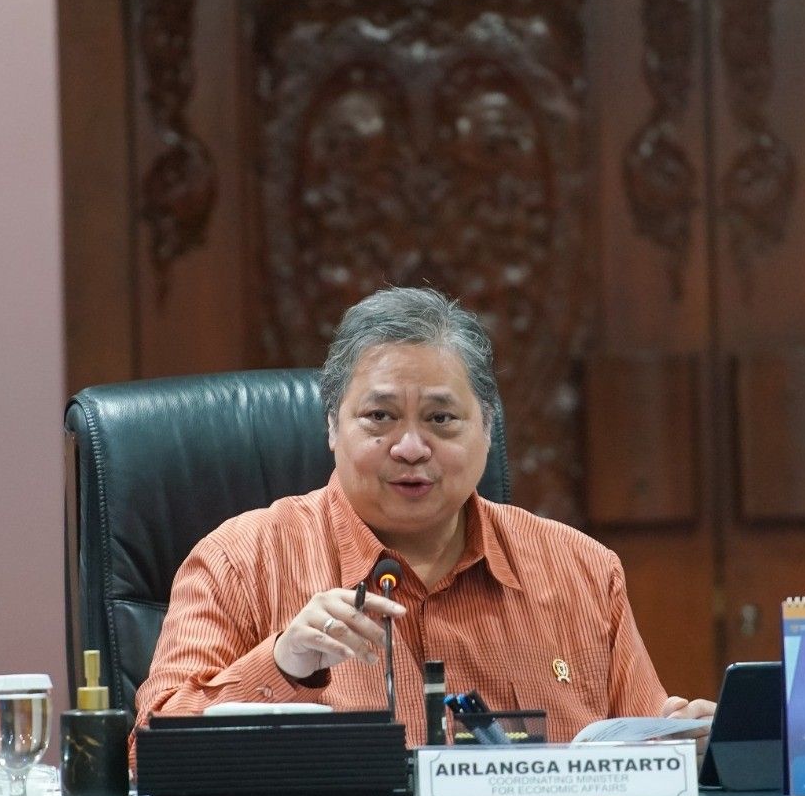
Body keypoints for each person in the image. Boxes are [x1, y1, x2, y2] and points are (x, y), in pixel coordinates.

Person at [135, 286, 714, 747]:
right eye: (380, 417)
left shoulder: (580, 570)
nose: (411, 447)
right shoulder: (240, 562)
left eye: (441, 419)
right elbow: (149, 754)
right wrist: (283, 662)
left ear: (488, 430)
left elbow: (645, 757)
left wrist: (685, 743)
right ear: (332, 427)